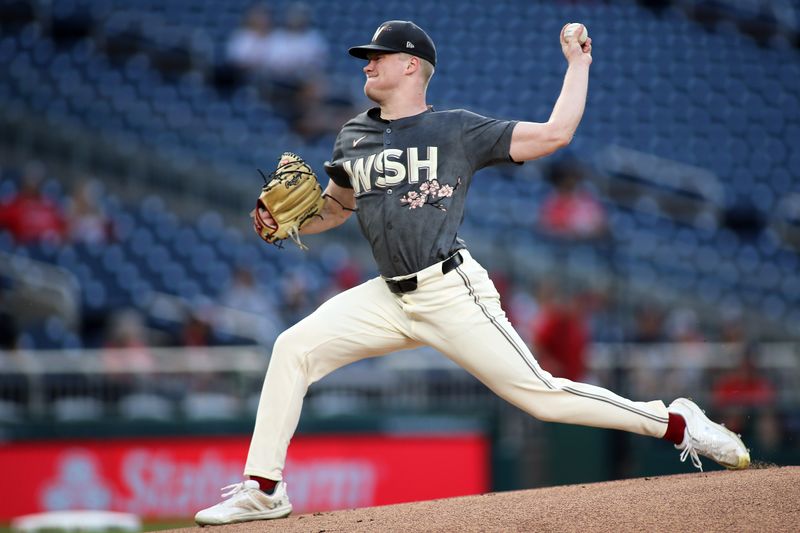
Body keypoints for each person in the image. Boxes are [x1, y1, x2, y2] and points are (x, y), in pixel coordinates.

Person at [195, 20, 749, 525]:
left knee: (541, 397)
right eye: (366, 57)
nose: (366, 64)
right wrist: (287, 223)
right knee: (292, 347)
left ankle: (676, 422)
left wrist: (578, 64)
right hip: (387, 295)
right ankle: (264, 489)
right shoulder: (352, 136)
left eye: (377, 57)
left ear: (411, 65)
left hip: (449, 289)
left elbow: (555, 134)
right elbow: (337, 208)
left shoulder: (456, 130)